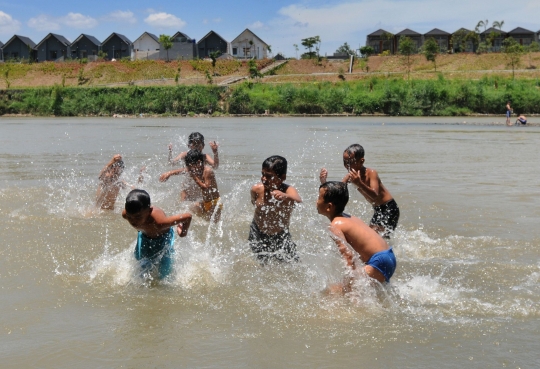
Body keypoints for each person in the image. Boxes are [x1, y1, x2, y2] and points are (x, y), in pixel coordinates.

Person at [317, 181, 396, 290]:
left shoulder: (335, 225)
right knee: (369, 292)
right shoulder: (349, 217)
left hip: (378, 261)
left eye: (319, 198)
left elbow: (348, 256)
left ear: (329, 206)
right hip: (388, 256)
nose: (316, 201)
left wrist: (350, 284)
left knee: (342, 291)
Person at [320, 144, 399, 239]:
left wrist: (359, 183)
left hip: (389, 208)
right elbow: (338, 191)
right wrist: (324, 182)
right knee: (373, 237)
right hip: (378, 210)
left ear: (361, 161)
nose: (347, 166)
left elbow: (375, 195)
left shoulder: (371, 173)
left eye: (350, 162)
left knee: (376, 238)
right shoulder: (351, 176)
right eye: (345, 162)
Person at [122, 189, 192, 279]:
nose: (133, 221)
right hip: (144, 236)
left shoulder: (159, 223)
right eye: (129, 217)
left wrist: (183, 233)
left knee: (164, 274)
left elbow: (187, 217)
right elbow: (132, 215)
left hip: (164, 239)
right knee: (141, 270)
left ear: (149, 211)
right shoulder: (126, 214)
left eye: (138, 217)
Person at [249, 155, 302, 264]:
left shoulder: (288, 190)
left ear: (282, 178)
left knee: (293, 264)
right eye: (263, 174)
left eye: (269, 176)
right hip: (257, 231)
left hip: (280, 234)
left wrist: (285, 197)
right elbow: (254, 203)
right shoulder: (256, 190)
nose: (264, 179)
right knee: (261, 264)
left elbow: (298, 200)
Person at [163, 132, 219, 201]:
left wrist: (215, 153)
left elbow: (215, 166)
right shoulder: (185, 155)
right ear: (189, 145)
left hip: (199, 185)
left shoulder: (205, 157)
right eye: (194, 144)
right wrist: (170, 152)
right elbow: (171, 163)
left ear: (203, 145)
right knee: (183, 205)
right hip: (187, 185)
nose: (197, 147)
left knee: (199, 203)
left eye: (199, 144)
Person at [184, 149, 222, 222]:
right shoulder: (198, 170)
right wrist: (169, 173)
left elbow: (205, 188)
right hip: (205, 202)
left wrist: (194, 177)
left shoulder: (207, 171)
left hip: (214, 204)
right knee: (189, 208)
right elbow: (182, 171)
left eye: (191, 166)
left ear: (198, 163)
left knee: (211, 225)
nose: (191, 169)